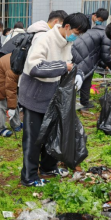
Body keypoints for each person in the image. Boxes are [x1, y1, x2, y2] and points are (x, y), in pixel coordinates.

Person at [18, 13, 90, 187]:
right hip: (35, 96)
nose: (76, 37)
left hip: (54, 97)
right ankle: (29, 177)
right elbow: (34, 67)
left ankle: (48, 168)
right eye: (76, 33)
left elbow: (71, 63)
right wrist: (63, 66)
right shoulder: (44, 39)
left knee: (53, 134)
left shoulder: (67, 42)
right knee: (34, 139)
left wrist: (78, 74)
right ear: (67, 27)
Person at [72, 8, 111, 111]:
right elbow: (106, 56)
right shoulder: (107, 36)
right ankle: (69, 104)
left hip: (79, 53)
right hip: (83, 57)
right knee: (78, 79)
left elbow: (98, 54)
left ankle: (84, 102)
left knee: (86, 78)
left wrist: (105, 65)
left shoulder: (95, 30)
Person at [0, 54, 21, 137]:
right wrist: (12, 107)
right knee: (0, 104)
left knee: (14, 100)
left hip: (2, 79)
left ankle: (16, 125)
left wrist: (12, 106)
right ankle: (1, 129)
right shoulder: (14, 66)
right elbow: (11, 88)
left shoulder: (17, 57)